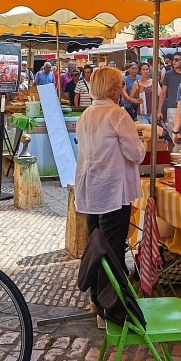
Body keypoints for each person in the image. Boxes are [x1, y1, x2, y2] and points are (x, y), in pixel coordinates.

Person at [74, 67, 144, 306]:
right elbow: (135, 153)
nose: (122, 90)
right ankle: (109, 308)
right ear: (114, 88)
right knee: (111, 250)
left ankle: (97, 301)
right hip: (112, 190)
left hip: (90, 189)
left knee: (98, 249)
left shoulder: (85, 115)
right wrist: (142, 145)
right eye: (121, 85)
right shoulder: (118, 114)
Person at [159, 52, 181, 131]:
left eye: (177, 60)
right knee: (173, 132)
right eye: (173, 59)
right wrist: (159, 111)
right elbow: (163, 93)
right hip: (172, 108)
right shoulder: (168, 74)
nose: (174, 61)